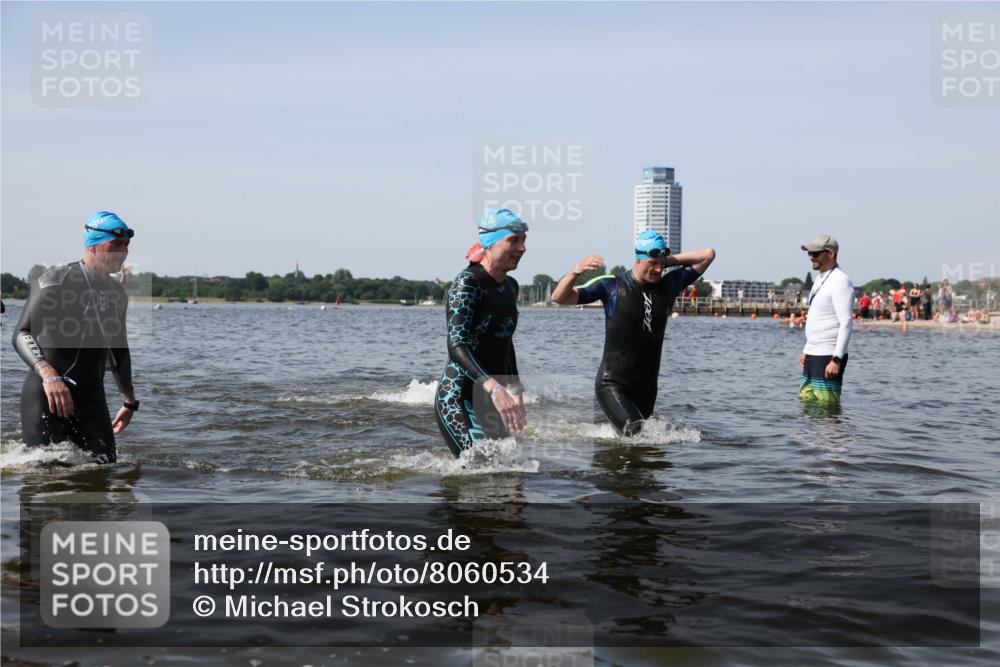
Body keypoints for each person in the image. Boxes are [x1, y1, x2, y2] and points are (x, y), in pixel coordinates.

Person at [550, 230, 716, 436]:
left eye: (661, 264)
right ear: (637, 259)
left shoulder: (669, 284)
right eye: (652, 263)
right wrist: (576, 272)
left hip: (646, 388)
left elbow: (708, 254)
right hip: (612, 383)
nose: (658, 269)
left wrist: (663, 259)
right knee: (638, 435)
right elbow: (559, 297)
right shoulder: (611, 284)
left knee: (637, 450)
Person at [12, 212, 139, 463]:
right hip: (48, 395)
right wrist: (49, 375)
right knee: (43, 484)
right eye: (116, 244)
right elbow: (21, 333)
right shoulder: (55, 281)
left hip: (91, 399)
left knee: (103, 473)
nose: (123, 251)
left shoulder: (117, 292)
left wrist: (129, 401)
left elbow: (119, 351)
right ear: (92, 245)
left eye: (126, 245)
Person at [435, 208, 527, 457]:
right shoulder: (468, 283)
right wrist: (496, 389)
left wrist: (515, 391)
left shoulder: (511, 286)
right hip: (458, 397)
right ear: (489, 243)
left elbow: (505, 342)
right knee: (481, 465)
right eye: (513, 240)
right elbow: (456, 344)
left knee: (510, 473)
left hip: (493, 400)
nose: (522, 248)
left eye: (523, 241)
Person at [798, 235, 854, 404]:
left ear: (830, 254)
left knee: (826, 409)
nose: (810, 257)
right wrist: (807, 350)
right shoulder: (820, 278)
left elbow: (846, 322)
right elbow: (818, 317)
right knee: (807, 405)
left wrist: (836, 359)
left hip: (828, 355)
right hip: (813, 353)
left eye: (815, 254)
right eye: (809, 253)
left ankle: (834, 432)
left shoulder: (840, 281)